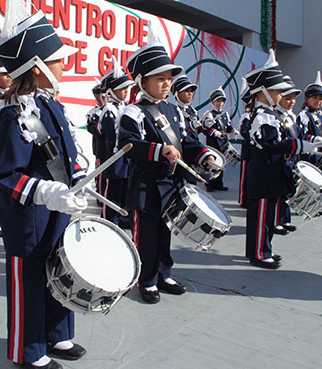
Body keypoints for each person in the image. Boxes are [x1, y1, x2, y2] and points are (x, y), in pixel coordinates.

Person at [0, 5, 87, 368]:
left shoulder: (52, 105)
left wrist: (77, 178)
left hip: (56, 211)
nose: (63, 66)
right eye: (57, 60)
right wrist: (47, 191)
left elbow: (68, 154)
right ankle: (27, 351)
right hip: (27, 215)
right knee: (28, 280)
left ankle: (57, 335)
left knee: (58, 270)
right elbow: (6, 174)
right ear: (37, 68)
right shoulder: (11, 115)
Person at [118, 30, 215, 304]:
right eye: (159, 78)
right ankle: (145, 280)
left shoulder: (175, 111)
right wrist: (159, 150)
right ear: (141, 82)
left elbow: (188, 142)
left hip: (170, 187)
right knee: (146, 237)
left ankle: (163, 273)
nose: (166, 83)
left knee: (164, 232)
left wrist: (204, 155)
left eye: (169, 78)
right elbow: (127, 146)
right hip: (146, 188)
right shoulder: (132, 112)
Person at [244, 50, 318, 269]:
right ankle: (258, 252)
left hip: (273, 173)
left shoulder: (273, 114)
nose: (280, 95)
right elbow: (269, 147)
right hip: (263, 174)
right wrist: (298, 145)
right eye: (276, 91)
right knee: (260, 217)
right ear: (263, 92)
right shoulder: (262, 116)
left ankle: (265, 248)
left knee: (267, 218)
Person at [99, 56, 133, 228]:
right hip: (114, 159)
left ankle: (122, 218)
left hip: (125, 159)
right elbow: (113, 134)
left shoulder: (125, 108)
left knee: (124, 191)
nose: (126, 91)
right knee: (111, 193)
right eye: (122, 88)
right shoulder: (109, 110)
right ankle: (108, 220)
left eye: (127, 88)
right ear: (111, 91)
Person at [274, 75, 302, 234]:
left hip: (291, 160)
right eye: (287, 98)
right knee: (278, 193)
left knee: (286, 191)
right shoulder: (275, 116)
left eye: (293, 98)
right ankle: (276, 222)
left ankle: (284, 220)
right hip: (280, 160)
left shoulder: (292, 116)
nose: (291, 102)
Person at [201, 86, 239, 191]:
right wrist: (214, 132)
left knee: (222, 163)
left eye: (222, 101)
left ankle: (219, 183)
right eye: (218, 101)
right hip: (213, 143)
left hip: (222, 142)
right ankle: (210, 184)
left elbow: (228, 126)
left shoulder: (225, 114)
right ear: (213, 102)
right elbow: (204, 129)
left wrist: (233, 131)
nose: (220, 103)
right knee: (212, 164)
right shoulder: (209, 114)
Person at [296, 71, 322, 164]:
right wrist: (313, 138)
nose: (318, 101)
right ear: (306, 99)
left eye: (321, 98)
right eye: (315, 97)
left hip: (320, 156)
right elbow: (300, 135)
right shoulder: (303, 116)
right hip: (307, 157)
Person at [86, 80, 106, 196]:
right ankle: (100, 197)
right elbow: (93, 128)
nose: (101, 97)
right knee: (100, 174)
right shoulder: (94, 112)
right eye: (98, 94)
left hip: (112, 149)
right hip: (100, 148)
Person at [238, 78, 253, 208]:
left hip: (255, 150)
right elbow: (244, 131)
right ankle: (243, 199)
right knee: (245, 176)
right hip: (247, 149)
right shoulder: (247, 116)